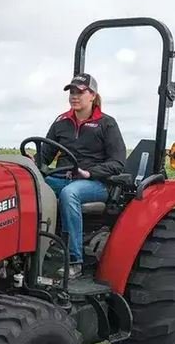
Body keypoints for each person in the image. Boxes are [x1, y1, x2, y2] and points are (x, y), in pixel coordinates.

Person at [40, 73, 127, 279]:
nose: (74, 96)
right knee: (31, 187)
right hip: (61, 178)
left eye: (80, 92)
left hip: (95, 183)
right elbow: (45, 155)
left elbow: (117, 163)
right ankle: (35, 251)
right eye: (72, 91)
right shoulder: (61, 122)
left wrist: (90, 173)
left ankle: (74, 260)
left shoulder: (106, 124)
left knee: (70, 193)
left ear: (92, 95)